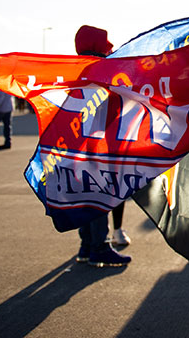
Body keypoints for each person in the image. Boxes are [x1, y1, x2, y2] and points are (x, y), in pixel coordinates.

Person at [72, 25, 132, 267]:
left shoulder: (76, 72)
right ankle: (99, 246)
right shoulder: (102, 71)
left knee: (85, 194)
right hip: (100, 144)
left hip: (78, 146)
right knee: (99, 194)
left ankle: (86, 245)